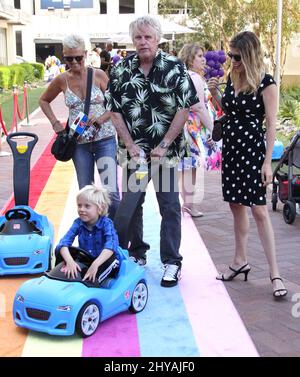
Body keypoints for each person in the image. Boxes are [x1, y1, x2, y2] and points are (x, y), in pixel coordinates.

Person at [106, 16, 199, 287]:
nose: (143, 41)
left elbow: (185, 107)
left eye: (148, 37)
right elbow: (114, 111)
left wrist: (165, 143)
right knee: (132, 206)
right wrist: (130, 144)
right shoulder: (121, 70)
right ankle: (137, 254)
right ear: (133, 40)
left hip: (165, 155)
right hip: (134, 155)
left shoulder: (174, 67)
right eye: (138, 37)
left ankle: (171, 262)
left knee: (169, 206)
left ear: (157, 39)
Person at [208, 31, 287, 298]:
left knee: (260, 211)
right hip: (231, 149)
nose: (232, 60)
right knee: (236, 206)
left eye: (237, 56)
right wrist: (214, 94)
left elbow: (271, 125)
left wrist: (267, 162)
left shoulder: (266, 83)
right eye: (230, 55)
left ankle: (275, 273)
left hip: (253, 152)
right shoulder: (232, 77)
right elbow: (230, 111)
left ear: (250, 54)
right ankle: (239, 260)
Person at [39, 34, 120, 220]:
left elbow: (117, 102)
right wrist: (54, 123)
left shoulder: (98, 74)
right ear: (63, 56)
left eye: (78, 57)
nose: (74, 62)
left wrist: (102, 117)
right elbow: (44, 100)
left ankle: (115, 238)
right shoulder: (61, 80)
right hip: (79, 144)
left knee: (112, 194)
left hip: (105, 140)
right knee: (85, 195)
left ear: (85, 54)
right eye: (69, 58)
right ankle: (90, 240)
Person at [178, 43, 221, 217]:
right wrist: (213, 129)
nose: (204, 59)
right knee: (189, 166)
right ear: (190, 58)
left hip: (191, 127)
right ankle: (188, 204)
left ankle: (189, 203)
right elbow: (198, 107)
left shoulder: (190, 76)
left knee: (191, 166)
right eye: (199, 56)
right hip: (192, 128)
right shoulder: (194, 78)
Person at [55, 185, 120, 283]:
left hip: (104, 260)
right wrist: (70, 262)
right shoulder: (78, 223)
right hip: (87, 259)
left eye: (87, 206)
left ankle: (97, 285)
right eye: (79, 205)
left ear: (100, 209)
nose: (81, 209)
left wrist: (95, 264)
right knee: (59, 250)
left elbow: (110, 246)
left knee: (92, 280)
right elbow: (63, 243)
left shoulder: (107, 223)